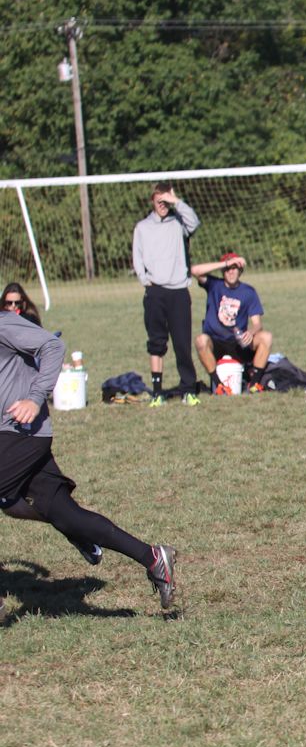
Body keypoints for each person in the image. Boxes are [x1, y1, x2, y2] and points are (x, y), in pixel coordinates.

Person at [0, 306, 177, 609]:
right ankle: (153, 558)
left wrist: (34, 398)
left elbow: (53, 346)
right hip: (14, 436)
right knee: (65, 515)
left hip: (20, 433)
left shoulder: (4, 325)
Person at [131, 182, 201, 402]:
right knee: (156, 343)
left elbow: (194, 222)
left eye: (166, 200)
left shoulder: (179, 223)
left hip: (179, 291)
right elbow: (137, 257)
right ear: (152, 201)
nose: (162, 204)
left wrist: (176, 201)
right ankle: (157, 392)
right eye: (159, 200)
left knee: (182, 343)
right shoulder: (142, 227)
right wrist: (145, 281)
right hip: (155, 293)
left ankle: (188, 390)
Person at [191, 253, 273, 393]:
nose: (230, 271)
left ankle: (254, 384)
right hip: (215, 342)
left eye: (234, 268)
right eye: (227, 268)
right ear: (223, 271)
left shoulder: (248, 292)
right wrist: (225, 263)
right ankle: (218, 385)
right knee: (200, 340)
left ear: (240, 271)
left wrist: (251, 332)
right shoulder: (214, 285)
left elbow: (257, 324)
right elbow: (194, 270)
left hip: (237, 342)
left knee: (266, 337)